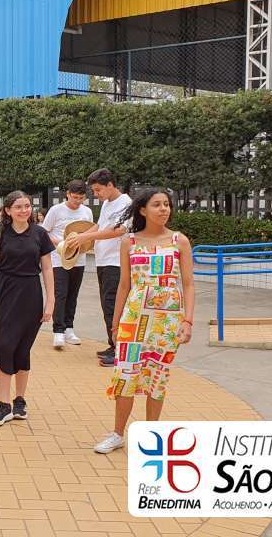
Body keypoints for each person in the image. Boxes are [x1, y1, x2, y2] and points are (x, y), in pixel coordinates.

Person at [94, 189, 195, 454]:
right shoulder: (129, 241)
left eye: (166, 204)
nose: (163, 209)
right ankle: (117, 434)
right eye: (157, 205)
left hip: (167, 323)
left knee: (157, 378)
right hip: (134, 319)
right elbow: (124, 285)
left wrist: (188, 321)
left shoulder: (179, 241)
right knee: (125, 374)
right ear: (142, 210)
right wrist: (115, 324)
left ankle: (151, 436)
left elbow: (188, 284)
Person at [0, 191, 55, 427]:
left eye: (27, 206)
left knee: (23, 349)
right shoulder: (0, 234)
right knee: (4, 346)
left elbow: (47, 269)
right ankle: (3, 404)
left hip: (30, 294)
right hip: (3, 292)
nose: (24, 210)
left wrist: (51, 301)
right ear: (8, 210)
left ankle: (19, 400)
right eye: (18, 207)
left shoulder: (39, 234)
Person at [66, 169, 132, 366]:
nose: (96, 194)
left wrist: (85, 237)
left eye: (98, 190)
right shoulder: (107, 204)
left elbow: (118, 230)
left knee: (113, 305)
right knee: (107, 305)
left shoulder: (126, 203)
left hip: (116, 262)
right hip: (104, 261)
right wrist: (82, 236)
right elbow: (100, 226)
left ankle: (121, 350)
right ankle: (113, 344)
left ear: (110, 185)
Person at [42, 180, 94, 350]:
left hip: (79, 259)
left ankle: (69, 329)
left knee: (73, 294)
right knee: (60, 294)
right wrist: (59, 243)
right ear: (67, 194)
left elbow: (90, 233)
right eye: (74, 197)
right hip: (58, 259)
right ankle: (58, 331)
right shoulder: (56, 210)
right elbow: (43, 232)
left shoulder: (87, 211)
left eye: (81, 198)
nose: (77, 201)